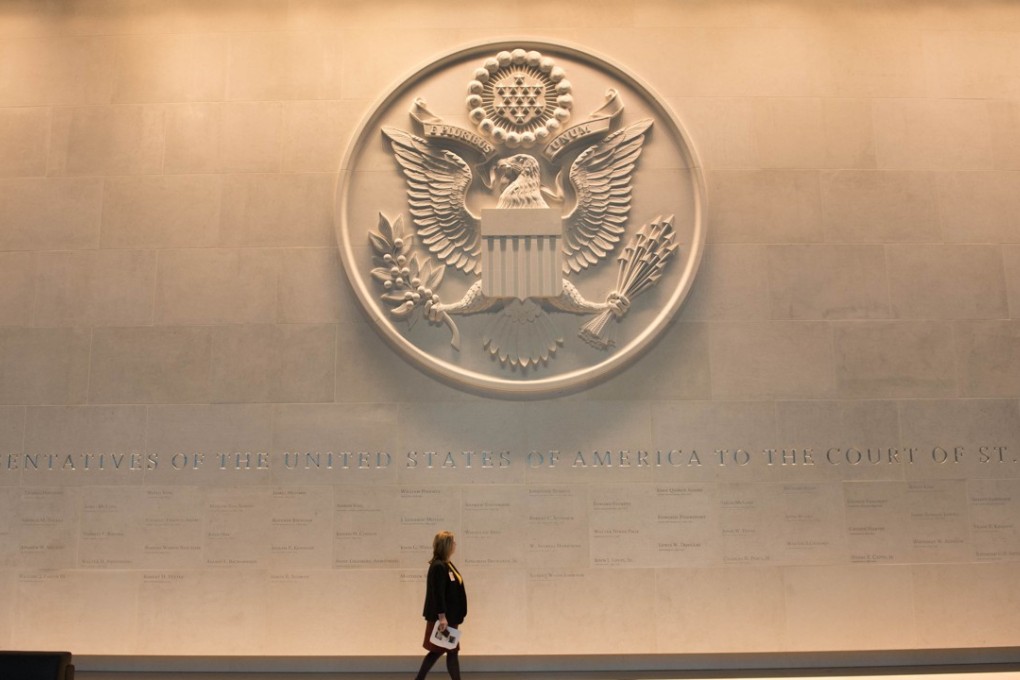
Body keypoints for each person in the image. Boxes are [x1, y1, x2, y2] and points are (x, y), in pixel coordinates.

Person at [414, 531, 466, 680]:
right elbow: (437, 594)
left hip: (450, 617)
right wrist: (442, 617)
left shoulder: (446, 564)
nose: (455, 545)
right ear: (447, 545)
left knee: (449, 650)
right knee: (440, 651)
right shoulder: (438, 566)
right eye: (453, 542)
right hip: (443, 619)